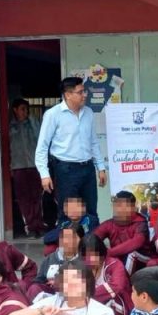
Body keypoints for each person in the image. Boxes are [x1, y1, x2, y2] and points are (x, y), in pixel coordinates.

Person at [35, 76, 107, 221]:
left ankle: (91, 236)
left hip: (87, 168)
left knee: (91, 212)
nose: (84, 95)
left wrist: (101, 167)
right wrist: (44, 174)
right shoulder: (53, 115)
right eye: (80, 92)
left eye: (84, 91)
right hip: (65, 170)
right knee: (69, 214)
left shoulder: (88, 113)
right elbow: (42, 147)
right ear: (68, 95)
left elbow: (93, 142)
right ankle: (68, 237)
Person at [9, 98, 45, 238]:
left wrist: (31, 119)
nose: (25, 112)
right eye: (22, 109)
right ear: (15, 110)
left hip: (34, 166)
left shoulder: (33, 124)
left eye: (26, 109)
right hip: (18, 167)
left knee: (37, 197)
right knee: (24, 200)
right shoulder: (10, 127)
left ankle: (39, 226)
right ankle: (30, 227)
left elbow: (40, 138)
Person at [81, 234, 132, 315]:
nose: (91, 259)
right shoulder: (82, 267)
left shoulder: (115, 264)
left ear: (101, 253)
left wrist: (87, 296)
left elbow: (117, 286)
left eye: (94, 255)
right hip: (92, 306)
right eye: (87, 256)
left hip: (117, 307)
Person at [94, 190, 153, 273]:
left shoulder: (140, 223)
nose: (122, 209)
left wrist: (108, 253)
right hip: (118, 259)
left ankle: (124, 279)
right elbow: (92, 239)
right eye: (119, 205)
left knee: (131, 254)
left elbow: (137, 242)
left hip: (142, 260)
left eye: (127, 206)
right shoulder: (109, 224)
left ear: (133, 208)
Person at [28, 224, 84, 300]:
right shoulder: (50, 258)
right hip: (49, 298)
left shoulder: (84, 259)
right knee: (34, 288)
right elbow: (38, 281)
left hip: (74, 298)